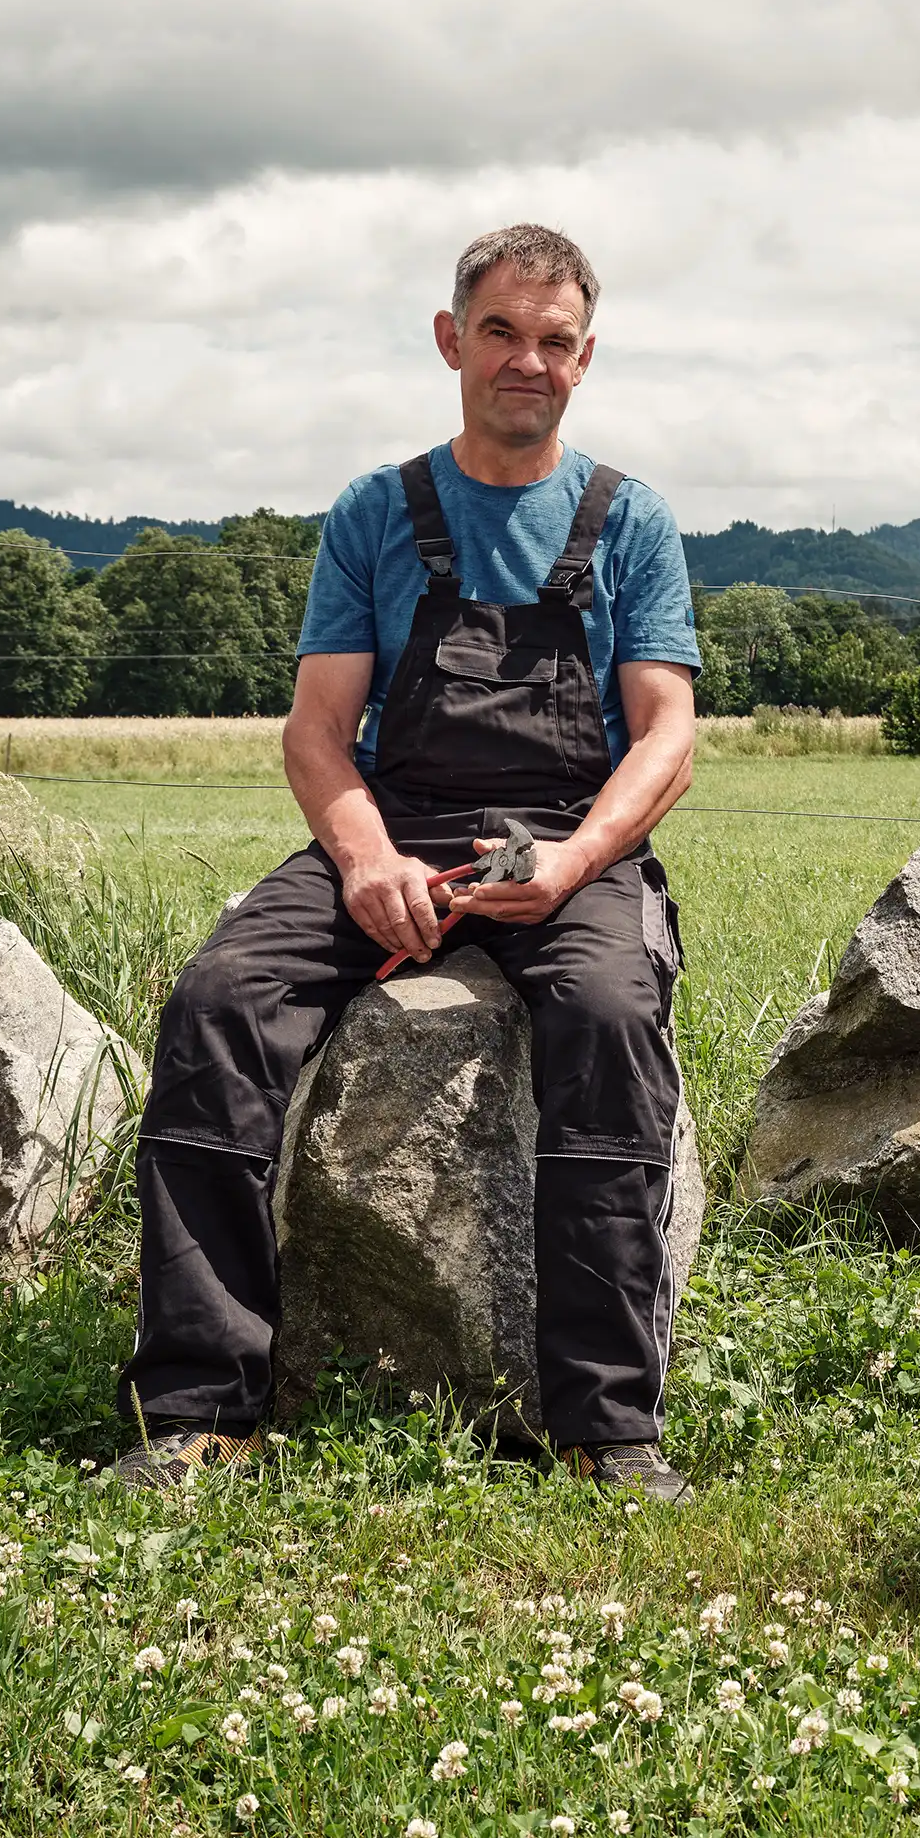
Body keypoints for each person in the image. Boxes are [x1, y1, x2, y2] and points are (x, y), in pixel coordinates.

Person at [105, 223, 703, 1501]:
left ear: (584, 360)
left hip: (568, 835)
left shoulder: (631, 520)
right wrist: (368, 862)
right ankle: (202, 1410)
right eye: (499, 332)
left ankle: (607, 1426)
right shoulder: (381, 513)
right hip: (400, 819)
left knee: (606, 1015)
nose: (524, 362)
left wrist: (577, 861)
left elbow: (665, 737)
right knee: (221, 1004)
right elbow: (319, 732)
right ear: (451, 341)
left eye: (552, 342)